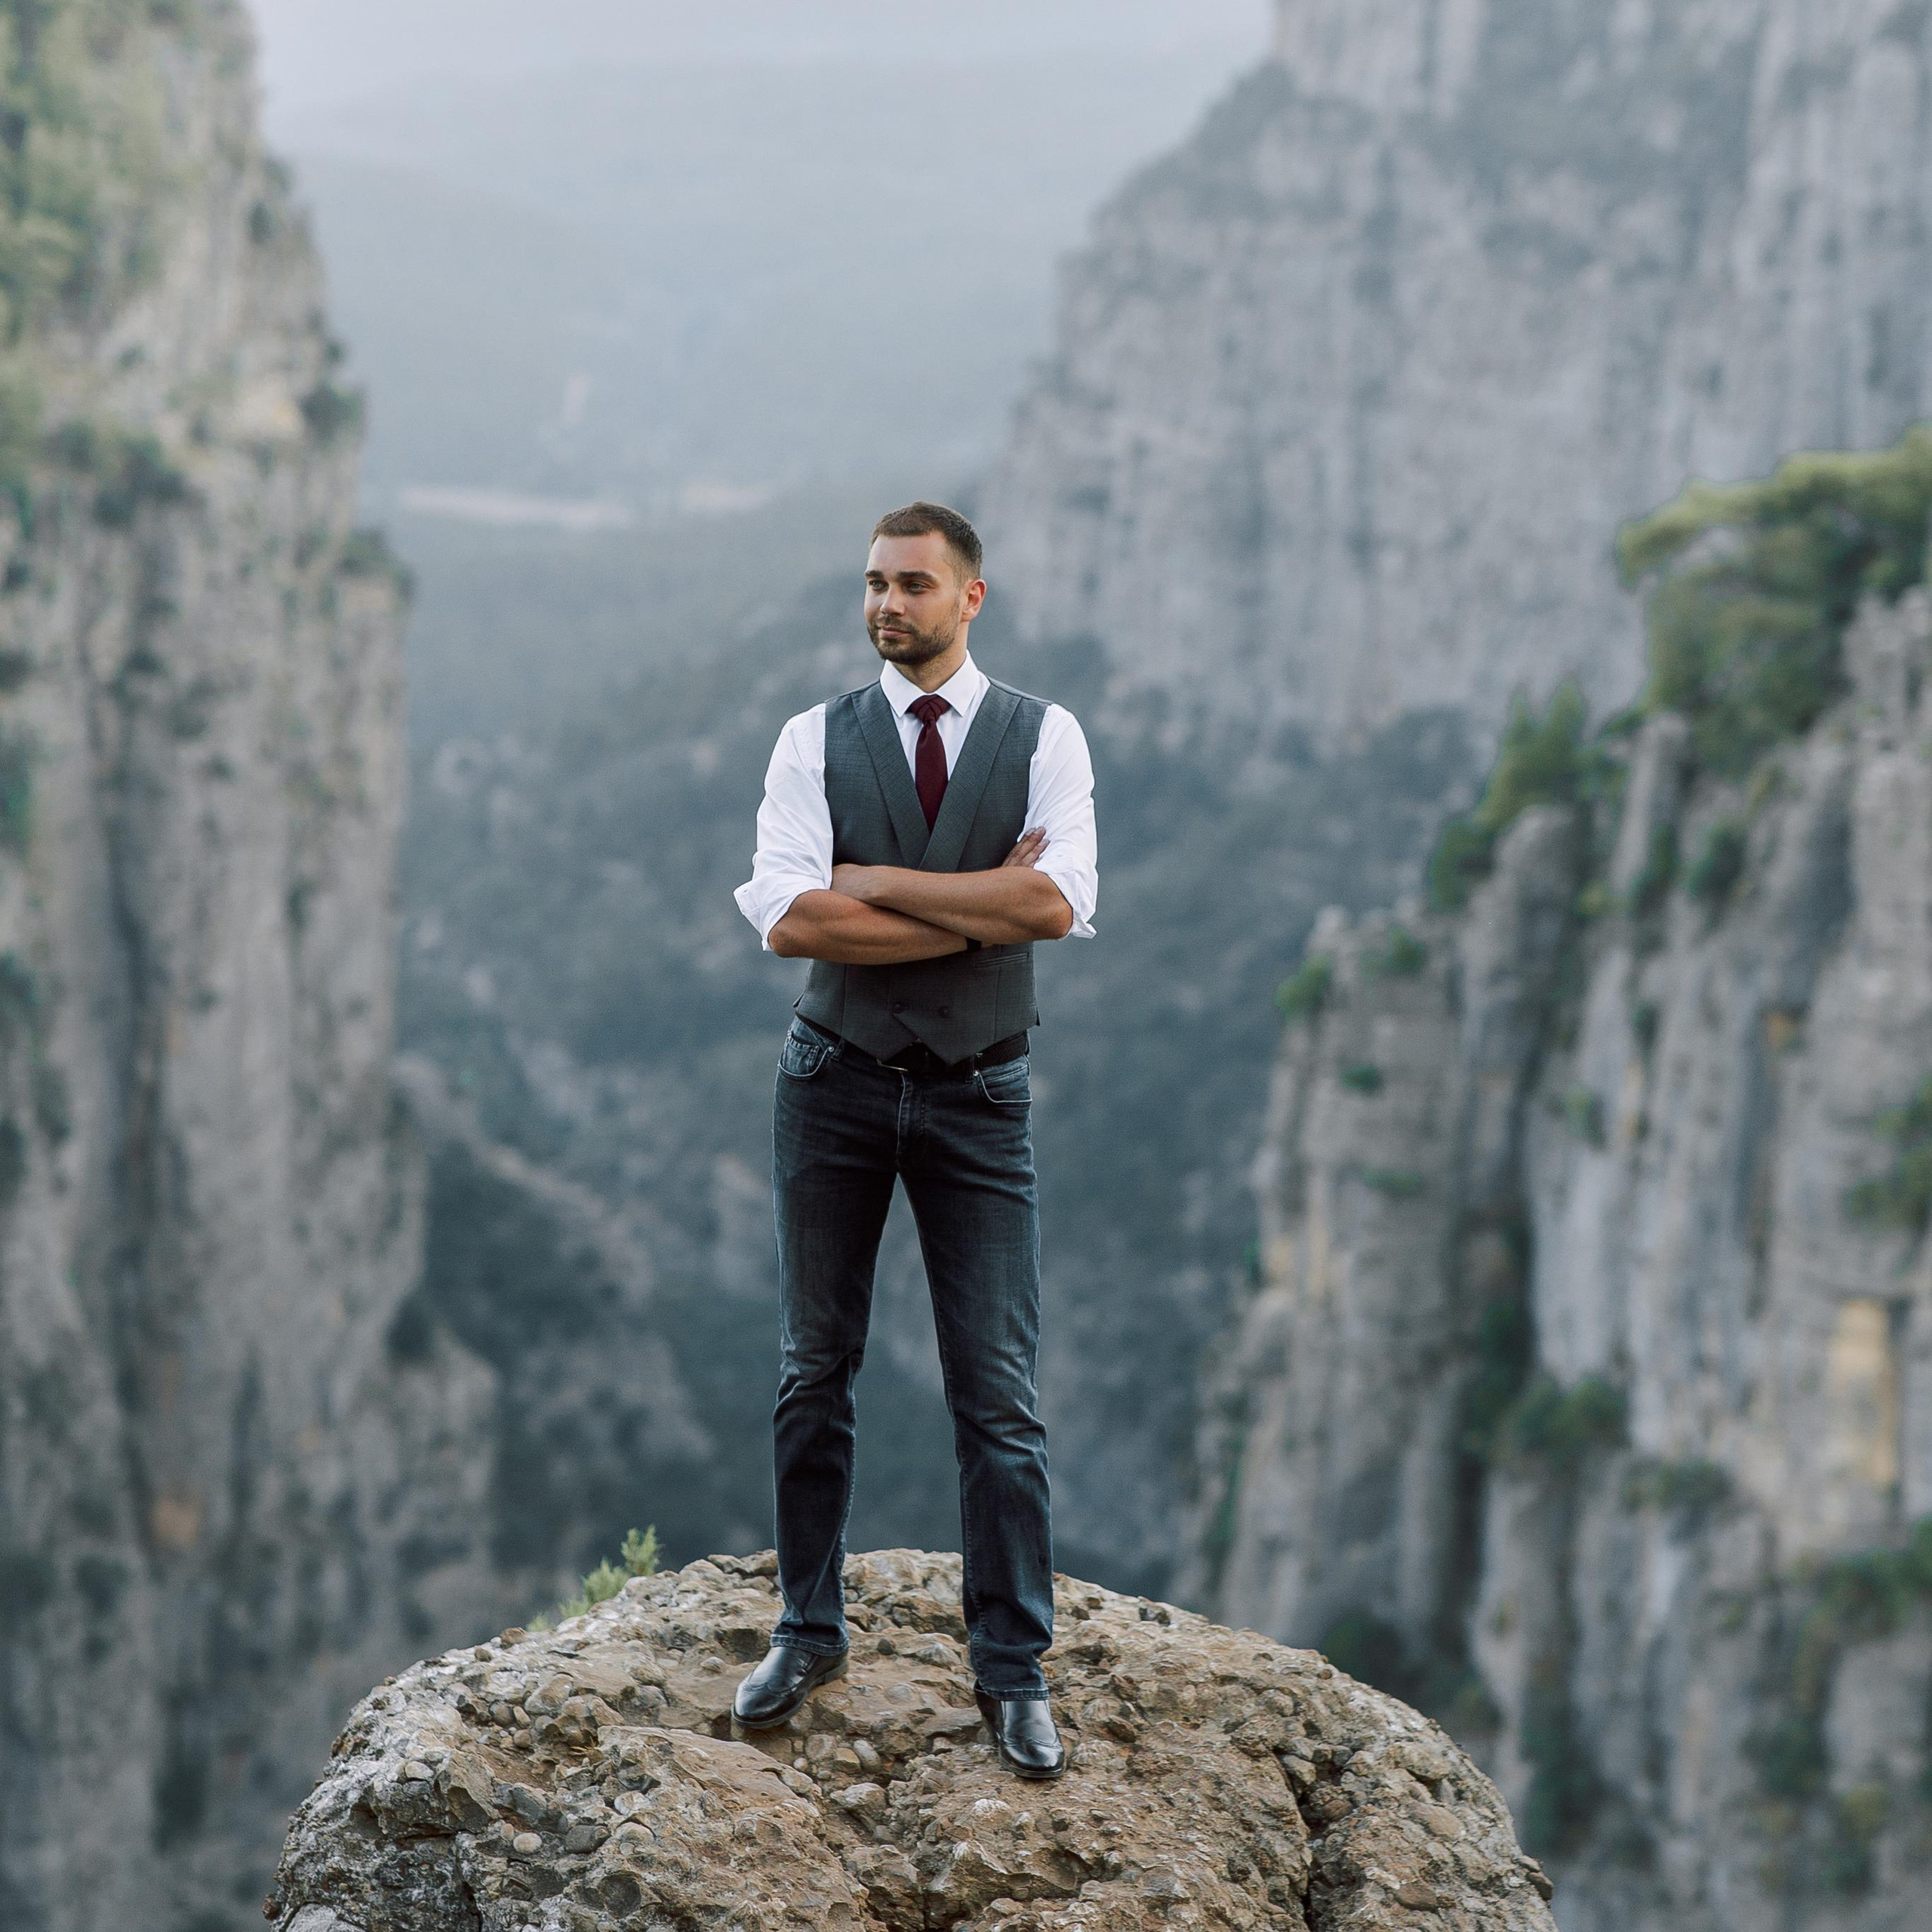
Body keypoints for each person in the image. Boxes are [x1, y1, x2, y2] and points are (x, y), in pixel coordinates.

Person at [730, 501, 1098, 1780]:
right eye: (875, 585)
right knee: (811, 1368)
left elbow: (1057, 898)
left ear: (972, 598)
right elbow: (787, 920)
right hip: (829, 1081)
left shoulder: (1046, 735)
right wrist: (974, 913)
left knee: (998, 1393)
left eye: (914, 585)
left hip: (982, 1095)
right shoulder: (807, 739)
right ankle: (805, 1629)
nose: (888, 605)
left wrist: (875, 882)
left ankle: (1012, 1669)